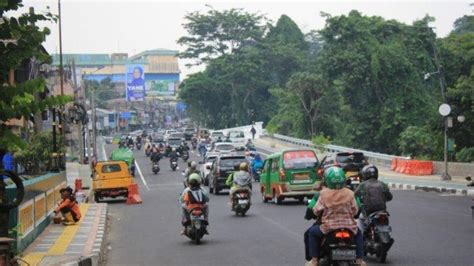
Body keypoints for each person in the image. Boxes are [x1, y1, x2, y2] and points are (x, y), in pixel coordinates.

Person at [307, 167, 365, 266]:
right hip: (349, 227)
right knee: (359, 234)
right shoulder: (350, 193)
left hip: (328, 228)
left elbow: (316, 211)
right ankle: (359, 260)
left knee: (312, 233)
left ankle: (314, 260)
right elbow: (355, 211)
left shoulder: (323, 194)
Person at [354, 164, 393, 231]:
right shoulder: (382, 184)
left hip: (369, 211)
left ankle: (362, 236)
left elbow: (355, 195)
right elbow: (390, 197)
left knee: (360, 219)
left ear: (364, 174)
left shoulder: (362, 185)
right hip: (382, 210)